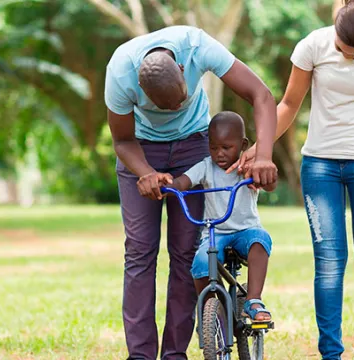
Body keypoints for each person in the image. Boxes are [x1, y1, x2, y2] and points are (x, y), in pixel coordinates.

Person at [231, 1, 354, 359]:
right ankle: (331, 354)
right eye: (345, 51)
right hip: (320, 167)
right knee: (329, 264)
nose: (351, 58)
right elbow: (289, 104)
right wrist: (261, 148)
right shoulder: (313, 45)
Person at [104, 25, 278, 360]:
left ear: (184, 69)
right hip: (140, 149)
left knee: (187, 253)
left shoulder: (198, 46)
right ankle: (140, 355)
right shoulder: (120, 72)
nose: (173, 111)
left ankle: (175, 354)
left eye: (180, 101)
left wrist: (265, 155)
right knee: (140, 252)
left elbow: (262, 95)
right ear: (139, 88)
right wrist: (147, 174)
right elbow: (123, 141)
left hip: (195, 147)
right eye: (163, 106)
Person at [162, 111, 275, 322]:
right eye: (213, 147)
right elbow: (183, 182)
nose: (219, 153)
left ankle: (253, 300)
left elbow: (269, 184)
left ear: (242, 144)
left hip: (246, 230)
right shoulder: (206, 166)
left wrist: (265, 176)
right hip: (215, 232)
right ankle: (213, 314)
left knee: (260, 240)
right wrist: (168, 186)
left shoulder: (247, 167)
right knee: (201, 264)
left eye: (226, 147)